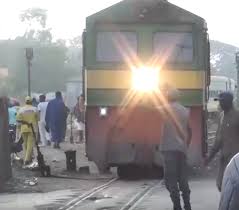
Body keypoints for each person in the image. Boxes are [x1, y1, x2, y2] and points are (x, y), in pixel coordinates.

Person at [159, 87, 192, 210]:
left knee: (170, 179)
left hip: (169, 150)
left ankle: (177, 206)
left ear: (168, 97)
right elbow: (190, 131)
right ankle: (187, 205)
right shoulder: (185, 110)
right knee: (183, 178)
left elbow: (149, 108)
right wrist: (185, 145)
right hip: (181, 150)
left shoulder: (164, 109)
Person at [204, 92, 239, 192]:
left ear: (229, 102)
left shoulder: (237, 116)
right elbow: (218, 140)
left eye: (222, 102)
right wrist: (209, 157)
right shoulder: (221, 116)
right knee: (221, 185)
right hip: (224, 159)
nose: (220, 104)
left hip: (236, 160)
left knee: (233, 187)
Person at [16, 96, 38, 166]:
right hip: (32, 128)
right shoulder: (35, 109)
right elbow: (38, 119)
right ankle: (27, 160)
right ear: (31, 102)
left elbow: (18, 120)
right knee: (30, 144)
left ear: (25, 101)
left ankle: (27, 157)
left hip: (23, 128)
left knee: (25, 144)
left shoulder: (21, 109)